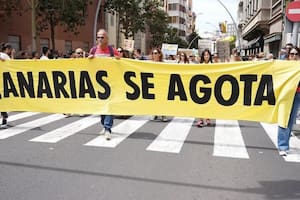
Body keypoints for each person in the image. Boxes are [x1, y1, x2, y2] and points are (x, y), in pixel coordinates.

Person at [88, 29, 120, 140]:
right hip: (98, 85)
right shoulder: (93, 50)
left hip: (111, 84)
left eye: (102, 37)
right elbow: (87, 67)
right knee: (102, 106)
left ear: (107, 39)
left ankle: (107, 128)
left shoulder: (112, 50)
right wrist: (89, 59)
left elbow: (122, 64)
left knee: (109, 106)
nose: (100, 39)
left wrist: (118, 60)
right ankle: (104, 125)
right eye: (98, 37)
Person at [277, 46, 300, 156]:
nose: (294, 56)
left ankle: (285, 144)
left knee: (291, 120)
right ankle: (282, 146)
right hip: (285, 95)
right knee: (283, 119)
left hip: (297, 95)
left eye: (296, 54)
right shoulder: (283, 66)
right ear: (288, 55)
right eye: (292, 54)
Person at [195, 49, 213, 127]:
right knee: (200, 104)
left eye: (208, 55)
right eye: (205, 55)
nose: (206, 56)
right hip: (201, 86)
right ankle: (200, 119)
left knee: (208, 104)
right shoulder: (200, 65)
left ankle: (208, 118)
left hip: (210, 86)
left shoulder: (214, 65)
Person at [150, 48, 168, 122]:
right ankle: (155, 113)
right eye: (153, 53)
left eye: (156, 53)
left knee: (162, 99)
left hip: (161, 83)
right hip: (153, 83)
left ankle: (163, 114)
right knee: (154, 99)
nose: (154, 55)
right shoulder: (149, 63)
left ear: (159, 54)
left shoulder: (163, 63)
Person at [0, 43, 15, 128]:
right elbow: (12, 65)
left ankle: (4, 119)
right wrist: (12, 55)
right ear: (8, 49)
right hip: (3, 81)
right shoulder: (5, 55)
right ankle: (4, 119)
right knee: (3, 100)